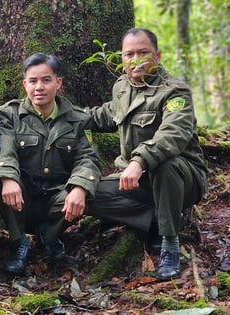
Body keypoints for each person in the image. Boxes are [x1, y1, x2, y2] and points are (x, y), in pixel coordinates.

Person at [85, 28, 208, 280]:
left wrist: (139, 161)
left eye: (143, 52)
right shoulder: (122, 86)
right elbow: (106, 115)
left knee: (166, 164)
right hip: (137, 182)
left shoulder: (175, 92)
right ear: (121, 58)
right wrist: (67, 116)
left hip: (182, 179)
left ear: (158, 55)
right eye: (129, 54)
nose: (135, 59)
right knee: (85, 195)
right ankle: (158, 218)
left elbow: (172, 134)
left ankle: (170, 243)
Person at [0, 53, 101, 274]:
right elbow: (6, 150)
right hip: (22, 196)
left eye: (46, 80)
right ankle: (19, 243)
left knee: (89, 190)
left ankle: (50, 237)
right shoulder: (9, 114)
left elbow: (87, 158)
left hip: (57, 196)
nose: (39, 87)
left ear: (58, 83)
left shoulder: (77, 119)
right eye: (32, 81)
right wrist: (8, 178)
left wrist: (80, 187)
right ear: (25, 84)